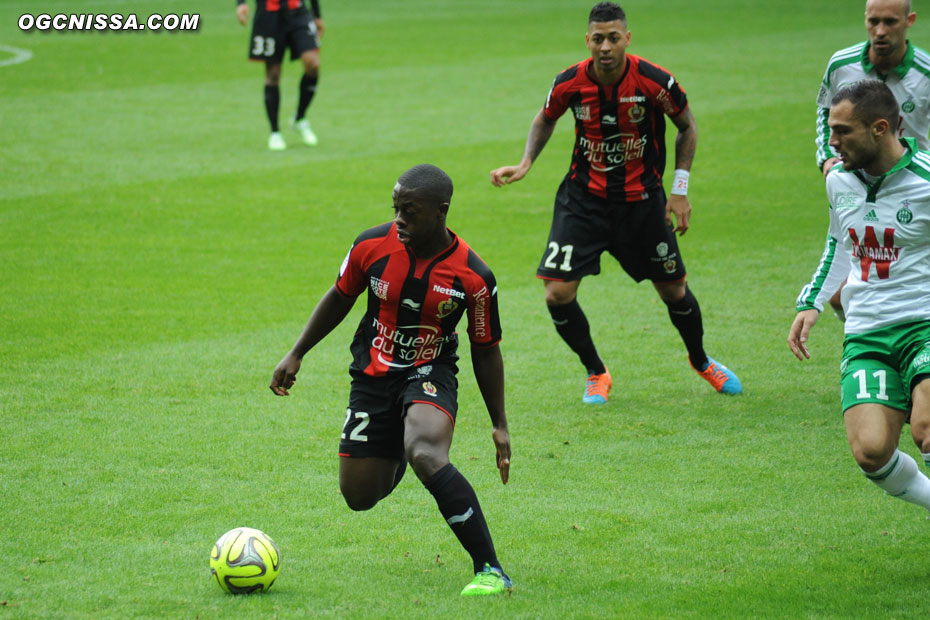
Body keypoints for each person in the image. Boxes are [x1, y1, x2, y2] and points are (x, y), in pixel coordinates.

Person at [270, 164, 513, 596]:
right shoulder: (371, 245)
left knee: (426, 451)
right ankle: (401, 447)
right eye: (396, 208)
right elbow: (341, 296)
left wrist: (500, 423)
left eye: (410, 211)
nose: (399, 218)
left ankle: (490, 569)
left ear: (441, 212)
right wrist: (297, 351)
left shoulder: (474, 277)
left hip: (430, 371)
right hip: (372, 373)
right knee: (359, 495)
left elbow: (486, 348)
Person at [489, 1, 741, 404]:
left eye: (613, 38)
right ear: (587, 41)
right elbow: (545, 117)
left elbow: (686, 125)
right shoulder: (569, 82)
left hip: (642, 203)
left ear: (627, 39)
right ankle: (596, 371)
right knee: (556, 293)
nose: (605, 46)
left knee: (675, 291)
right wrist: (525, 163)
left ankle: (701, 360)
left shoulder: (655, 81)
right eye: (598, 39)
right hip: (583, 201)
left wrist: (679, 189)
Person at [789, 79, 930, 514]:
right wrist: (812, 301)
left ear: (881, 128)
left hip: (924, 322)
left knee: (928, 427)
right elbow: (839, 244)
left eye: (842, 131)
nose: (831, 141)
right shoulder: (840, 181)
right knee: (871, 451)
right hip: (867, 331)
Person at [815, 0, 930, 320]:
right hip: (858, 184)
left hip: (914, 190)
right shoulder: (841, 65)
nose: (880, 31)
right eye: (873, 21)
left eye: (890, 22)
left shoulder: (926, 73)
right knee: (839, 296)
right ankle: (870, 344)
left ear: (910, 20)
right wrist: (827, 157)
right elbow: (825, 112)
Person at [236, 0, 323, 150]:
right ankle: (275, 132)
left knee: (313, 64)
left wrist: (317, 15)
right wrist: (241, 3)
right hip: (269, 13)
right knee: (273, 73)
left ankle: (299, 118)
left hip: (298, 11)